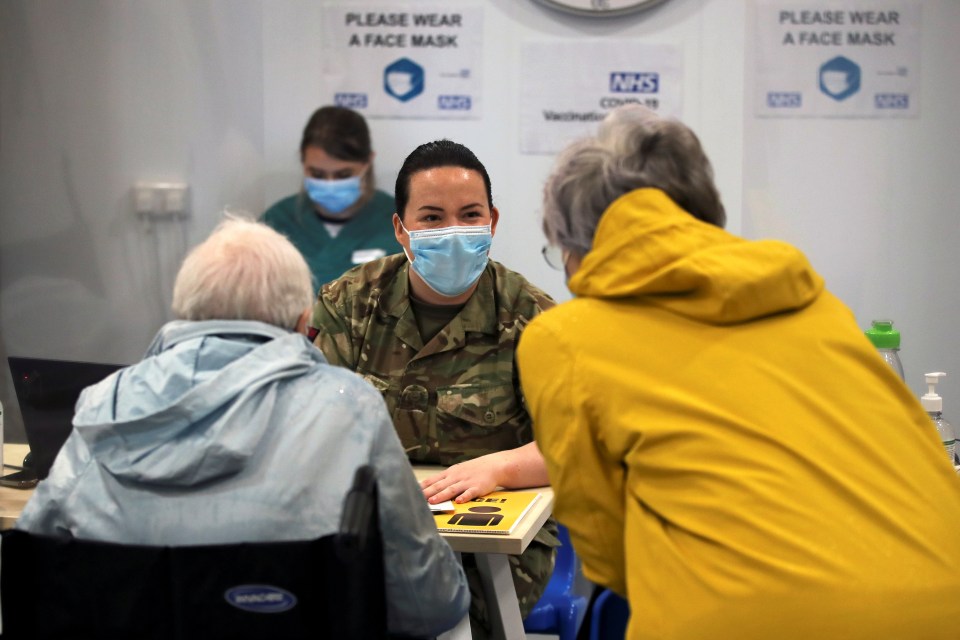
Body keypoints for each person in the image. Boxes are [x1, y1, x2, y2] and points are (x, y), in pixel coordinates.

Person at [517, 104, 960, 639]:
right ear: (705, 212)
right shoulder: (814, 303)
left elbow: (609, 554)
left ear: (578, 250)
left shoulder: (564, 338)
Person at [16, 218, 469, 638]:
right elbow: (428, 602)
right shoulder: (347, 406)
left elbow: (32, 572)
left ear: (188, 314)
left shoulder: (103, 405)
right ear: (301, 321)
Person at [307, 139, 559, 637]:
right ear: (401, 228)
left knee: (457, 618)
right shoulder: (350, 305)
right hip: (371, 532)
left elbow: (576, 445)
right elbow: (308, 424)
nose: (454, 231)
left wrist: (501, 466)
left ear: (493, 221)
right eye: (431, 218)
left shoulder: (532, 317)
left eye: (470, 215)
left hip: (490, 553)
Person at [261, 106, 401, 290]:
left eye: (343, 175)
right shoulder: (277, 224)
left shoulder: (397, 222)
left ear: (367, 162)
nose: (330, 183)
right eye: (317, 174)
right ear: (303, 162)